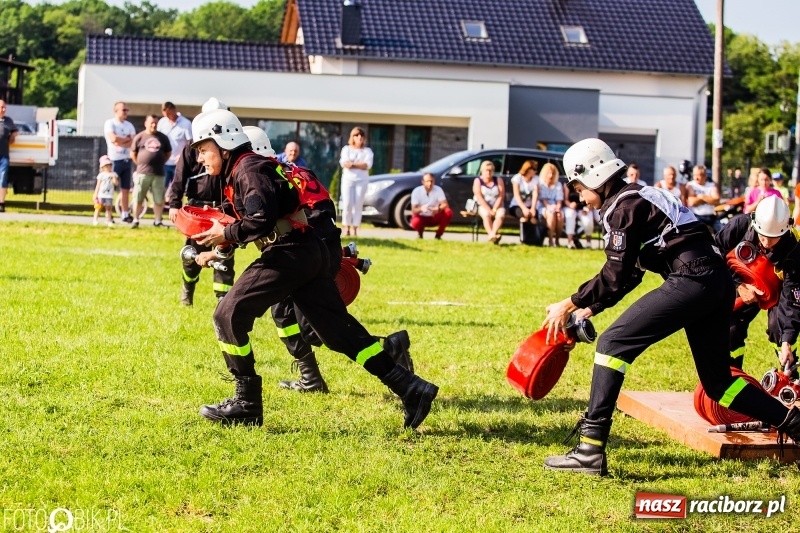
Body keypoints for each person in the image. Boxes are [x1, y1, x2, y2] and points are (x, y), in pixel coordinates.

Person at [540, 138, 800, 476]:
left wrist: (569, 302)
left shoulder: (623, 206)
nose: (577, 196)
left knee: (612, 344)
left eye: (577, 187)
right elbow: (630, 274)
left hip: (692, 279)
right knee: (719, 383)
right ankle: (793, 423)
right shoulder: (639, 196)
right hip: (717, 283)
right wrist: (591, 309)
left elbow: (615, 274)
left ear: (593, 176)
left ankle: (590, 450)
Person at [188, 108, 438, 428]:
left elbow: (259, 220)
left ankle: (246, 403)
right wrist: (221, 245)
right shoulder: (248, 168)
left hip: (290, 252)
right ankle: (410, 387)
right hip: (308, 251)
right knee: (338, 335)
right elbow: (262, 218)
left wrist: (226, 234)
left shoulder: (247, 169)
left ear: (223, 143)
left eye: (203, 150)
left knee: (226, 314)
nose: (200, 159)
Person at [243, 125, 413, 392]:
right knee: (285, 316)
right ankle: (311, 378)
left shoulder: (264, 176)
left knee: (316, 327)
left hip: (305, 250)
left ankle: (389, 348)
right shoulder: (294, 170)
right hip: (321, 244)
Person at [715, 197, 800, 378]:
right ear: (754, 224)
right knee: (731, 327)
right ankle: (732, 375)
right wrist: (738, 285)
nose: (767, 243)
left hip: (777, 292)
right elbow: (713, 256)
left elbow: (791, 296)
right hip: (739, 283)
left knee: (779, 330)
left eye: (773, 238)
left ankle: (788, 373)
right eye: (763, 236)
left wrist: (787, 340)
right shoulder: (739, 226)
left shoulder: (793, 249)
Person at [169, 98, 235, 306]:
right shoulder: (192, 147)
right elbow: (179, 176)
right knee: (192, 254)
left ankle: (222, 300)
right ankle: (187, 290)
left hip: (223, 207)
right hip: (197, 208)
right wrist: (174, 203)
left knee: (224, 254)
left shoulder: (230, 147)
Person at [130, 114, 171, 228]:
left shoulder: (163, 137)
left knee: (159, 199)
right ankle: (136, 220)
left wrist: (159, 161)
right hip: (142, 173)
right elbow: (133, 153)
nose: (154, 125)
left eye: (155, 123)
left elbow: (168, 153)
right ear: (146, 123)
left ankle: (158, 221)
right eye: (151, 123)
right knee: (138, 197)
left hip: (159, 173)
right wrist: (141, 163)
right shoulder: (139, 137)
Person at [103, 101, 136, 223]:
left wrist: (123, 141)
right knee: (110, 188)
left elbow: (133, 141)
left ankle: (125, 213)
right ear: (115, 111)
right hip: (114, 160)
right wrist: (125, 140)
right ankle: (108, 215)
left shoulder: (129, 125)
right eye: (123, 110)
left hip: (126, 160)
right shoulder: (110, 123)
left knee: (125, 189)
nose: (126, 112)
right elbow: (113, 139)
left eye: (127, 110)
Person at [339, 127, 374, 237]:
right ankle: (346, 227)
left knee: (358, 204)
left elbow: (367, 165)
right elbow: (345, 163)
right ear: (352, 137)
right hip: (348, 180)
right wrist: (359, 164)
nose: (359, 137)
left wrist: (353, 165)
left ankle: (355, 228)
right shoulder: (346, 149)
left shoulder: (367, 151)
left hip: (362, 181)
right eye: (357, 135)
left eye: (362, 135)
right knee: (347, 203)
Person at [157, 101, 193, 197]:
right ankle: (161, 207)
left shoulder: (186, 123)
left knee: (178, 187)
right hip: (165, 162)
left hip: (178, 162)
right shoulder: (162, 122)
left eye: (169, 114)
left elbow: (190, 143)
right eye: (165, 115)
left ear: (174, 110)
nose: (167, 117)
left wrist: (182, 155)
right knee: (162, 187)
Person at [410, 173, 452, 239]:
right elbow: (413, 210)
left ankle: (438, 235)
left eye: (431, 181)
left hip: (434, 215)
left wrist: (438, 209)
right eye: (427, 181)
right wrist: (421, 209)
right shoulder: (416, 191)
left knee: (448, 212)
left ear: (434, 181)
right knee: (415, 222)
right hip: (422, 216)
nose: (430, 183)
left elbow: (445, 204)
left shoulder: (438, 189)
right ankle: (420, 234)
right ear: (423, 182)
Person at [472, 160, 505, 244]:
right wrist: (489, 210)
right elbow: (479, 197)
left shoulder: (498, 180)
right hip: (483, 205)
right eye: (486, 170)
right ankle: (492, 235)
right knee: (486, 215)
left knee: (500, 215)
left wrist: (494, 208)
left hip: (497, 205)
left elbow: (501, 195)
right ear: (482, 171)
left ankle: (492, 234)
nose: (488, 172)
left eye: (490, 170)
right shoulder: (478, 181)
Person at [535, 162, 564, 247]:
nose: (551, 175)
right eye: (549, 173)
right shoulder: (541, 184)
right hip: (543, 206)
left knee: (560, 216)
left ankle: (557, 240)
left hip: (555, 206)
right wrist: (549, 207)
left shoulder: (558, 184)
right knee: (551, 214)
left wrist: (558, 208)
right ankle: (551, 240)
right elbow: (543, 199)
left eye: (553, 173)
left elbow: (559, 199)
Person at [685, 164, 720, 231]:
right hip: (696, 216)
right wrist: (709, 198)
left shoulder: (711, 185)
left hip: (711, 216)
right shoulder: (691, 185)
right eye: (694, 175)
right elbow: (692, 202)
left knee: (722, 231)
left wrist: (701, 197)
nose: (696, 178)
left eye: (699, 175)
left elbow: (717, 200)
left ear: (705, 176)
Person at [0, 99, 18, 213]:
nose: (3, 109)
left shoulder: (8, 121)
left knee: (3, 178)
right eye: (1, 107)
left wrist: (13, 135)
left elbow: (16, 131)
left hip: (3, 156)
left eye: (4, 107)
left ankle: (1, 203)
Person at [93, 155, 119, 227]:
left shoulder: (114, 174)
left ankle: (108, 220)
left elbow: (116, 183)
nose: (108, 167)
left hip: (109, 195)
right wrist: (95, 194)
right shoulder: (101, 175)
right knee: (98, 207)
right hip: (101, 194)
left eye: (109, 165)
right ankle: (95, 219)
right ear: (102, 167)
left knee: (109, 208)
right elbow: (98, 185)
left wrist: (113, 177)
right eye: (106, 166)